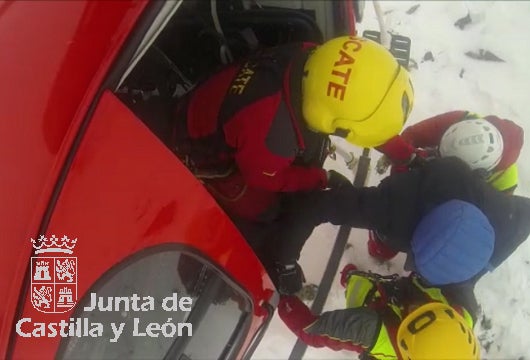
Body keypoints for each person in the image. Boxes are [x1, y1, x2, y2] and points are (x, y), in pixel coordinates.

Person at [170, 35, 414, 283]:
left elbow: (356, 107)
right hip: (205, 153)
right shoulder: (272, 136)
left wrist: (406, 153)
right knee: (266, 213)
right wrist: (321, 177)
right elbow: (266, 178)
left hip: (217, 103)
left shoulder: (315, 59)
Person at [273, 157, 530, 294]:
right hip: (400, 203)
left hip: (435, 184)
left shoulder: (514, 219)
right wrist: (285, 262)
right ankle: (378, 249)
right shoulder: (391, 209)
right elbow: (314, 205)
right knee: (381, 243)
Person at [369, 111, 524, 260]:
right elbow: (414, 135)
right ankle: (385, 241)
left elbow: (484, 227)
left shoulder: (504, 185)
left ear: (481, 172)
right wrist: (399, 161)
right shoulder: (462, 121)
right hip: (429, 166)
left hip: (462, 206)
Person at [278, 261, 481, 359]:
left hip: (379, 327)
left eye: (414, 313)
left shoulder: (372, 331)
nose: (416, 307)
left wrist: (281, 298)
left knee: (360, 288)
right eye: (426, 308)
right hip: (405, 296)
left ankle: (353, 280)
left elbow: (313, 329)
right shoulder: (465, 309)